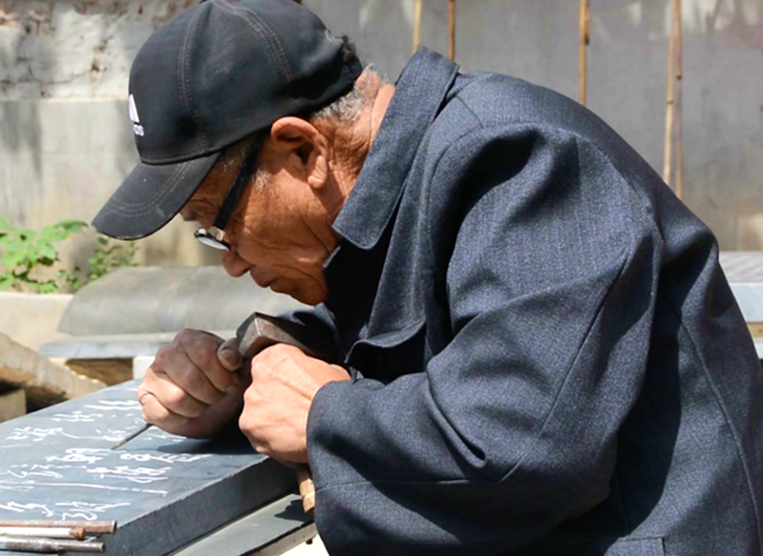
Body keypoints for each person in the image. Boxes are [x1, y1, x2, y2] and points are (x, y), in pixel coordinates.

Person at [92, 1, 763, 554]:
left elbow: (521, 447)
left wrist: (323, 414)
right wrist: (241, 374)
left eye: (218, 223)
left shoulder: (521, 163)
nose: (232, 261)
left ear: (302, 150)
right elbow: (398, 329)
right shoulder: (400, 189)